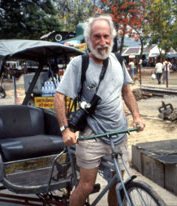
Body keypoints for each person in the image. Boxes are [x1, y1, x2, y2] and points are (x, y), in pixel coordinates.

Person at [54, 14, 145, 206]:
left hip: (118, 134)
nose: (102, 42)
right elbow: (59, 96)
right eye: (97, 36)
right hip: (91, 135)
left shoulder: (119, 61)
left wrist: (137, 117)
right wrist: (65, 130)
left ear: (111, 38)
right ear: (89, 40)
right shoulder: (79, 64)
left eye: (106, 36)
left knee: (118, 184)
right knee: (86, 186)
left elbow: (126, 91)